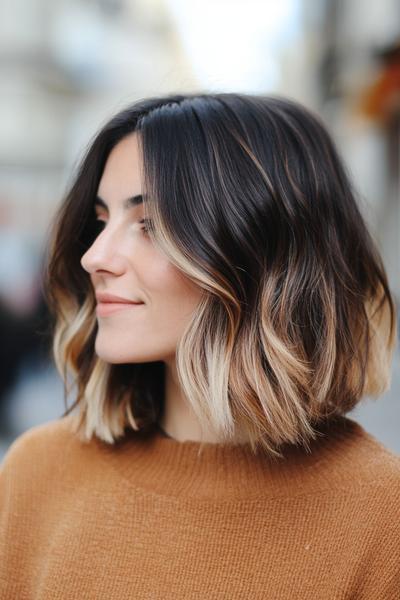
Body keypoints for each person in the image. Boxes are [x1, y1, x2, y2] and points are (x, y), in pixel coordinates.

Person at [0, 92, 399, 599]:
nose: (95, 256)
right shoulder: (36, 473)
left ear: (259, 255)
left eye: (149, 224)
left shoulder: (383, 517)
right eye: (102, 222)